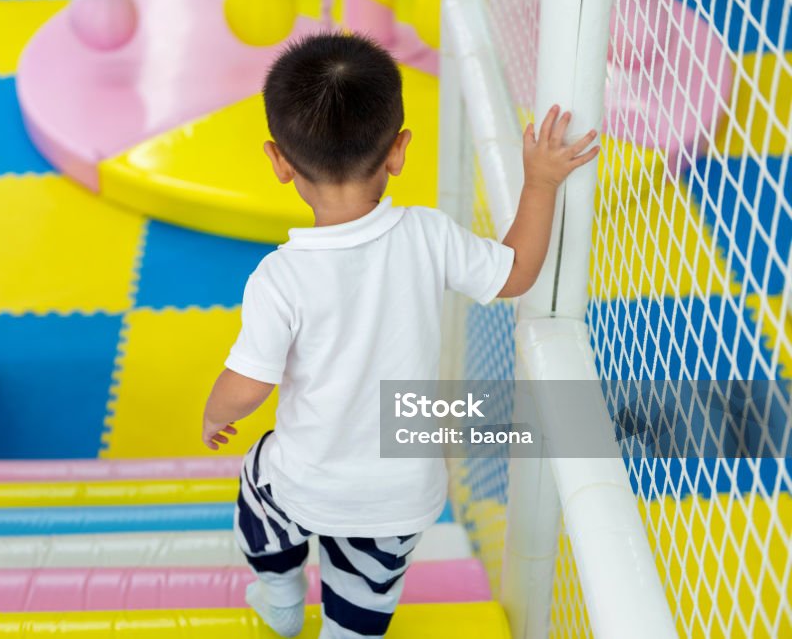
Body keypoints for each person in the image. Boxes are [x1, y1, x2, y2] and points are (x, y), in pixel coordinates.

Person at [201, 33, 599, 638]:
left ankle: (280, 596)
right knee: (364, 603)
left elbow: (248, 384)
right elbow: (517, 272)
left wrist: (214, 413)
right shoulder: (428, 236)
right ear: (398, 151)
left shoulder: (278, 278)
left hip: (307, 478)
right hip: (402, 493)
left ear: (279, 162)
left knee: (259, 487)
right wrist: (540, 183)